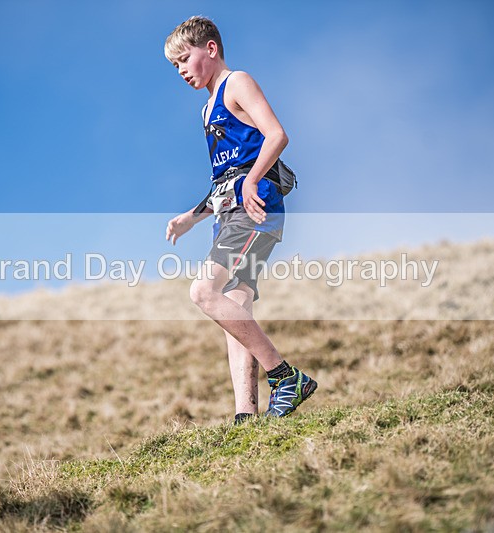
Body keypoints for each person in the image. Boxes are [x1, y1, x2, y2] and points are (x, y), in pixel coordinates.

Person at [163, 16, 317, 423]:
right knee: (234, 306)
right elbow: (225, 179)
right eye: (174, 65)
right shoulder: (206, 110)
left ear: (210, 50)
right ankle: (245, 414)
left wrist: (251, 181)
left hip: (255, 209)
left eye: (184, 59)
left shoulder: (238, 83)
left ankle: (285, 376)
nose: (180, 70)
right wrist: (192, 217)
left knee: (202, 292)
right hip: (229, 213)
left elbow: (276, 135)